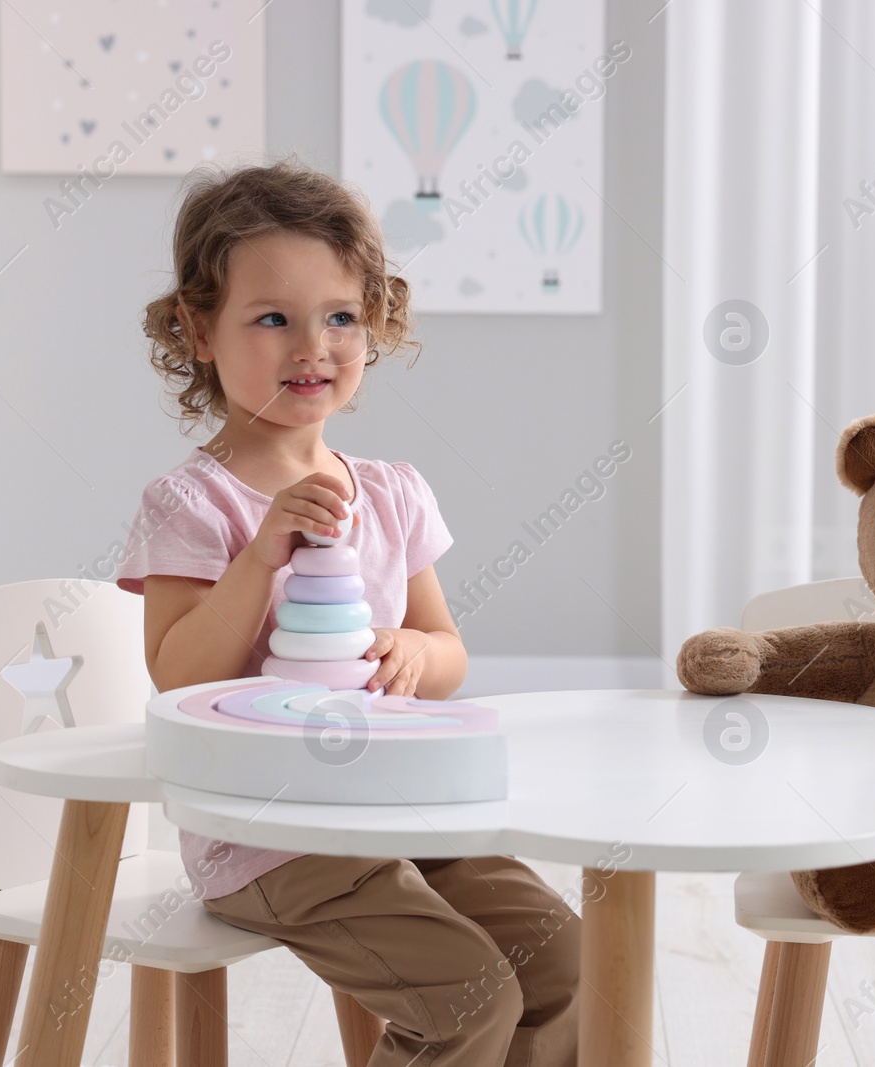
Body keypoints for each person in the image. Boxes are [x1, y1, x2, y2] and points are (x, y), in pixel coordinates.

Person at [115, 159, 580, 1066]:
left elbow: (449, 653)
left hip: (396, 810)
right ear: (198, 329)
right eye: (272, 319)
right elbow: (179, 674)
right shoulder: (192, 504)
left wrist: (412, 651)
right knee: (468, 999)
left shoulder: (392, 493)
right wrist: (262, 554)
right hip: (267, 839)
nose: (312, 347)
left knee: (565, 958)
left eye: (340, 317)